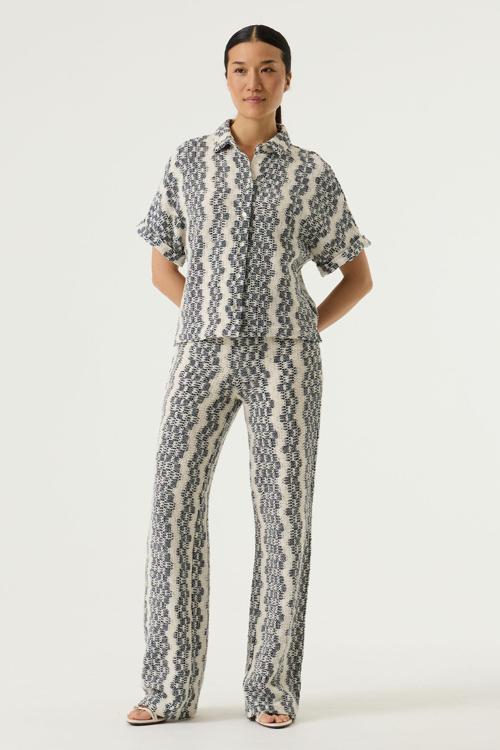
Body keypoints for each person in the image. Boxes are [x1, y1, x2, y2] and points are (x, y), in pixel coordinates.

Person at [127, 24, 373, 730]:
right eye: (240, 68)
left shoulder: (311, 174)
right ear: (226, 77)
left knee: (284, 517)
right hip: (200, 353)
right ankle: (167, 689)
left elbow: (357, 276)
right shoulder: (189, 161)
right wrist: (208, 316)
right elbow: (161, 263)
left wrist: (298, 330)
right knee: (172, 507)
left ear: (287, 79)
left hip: (284, 361)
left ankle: (271, 689)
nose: (253, 81)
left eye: (268, 68)